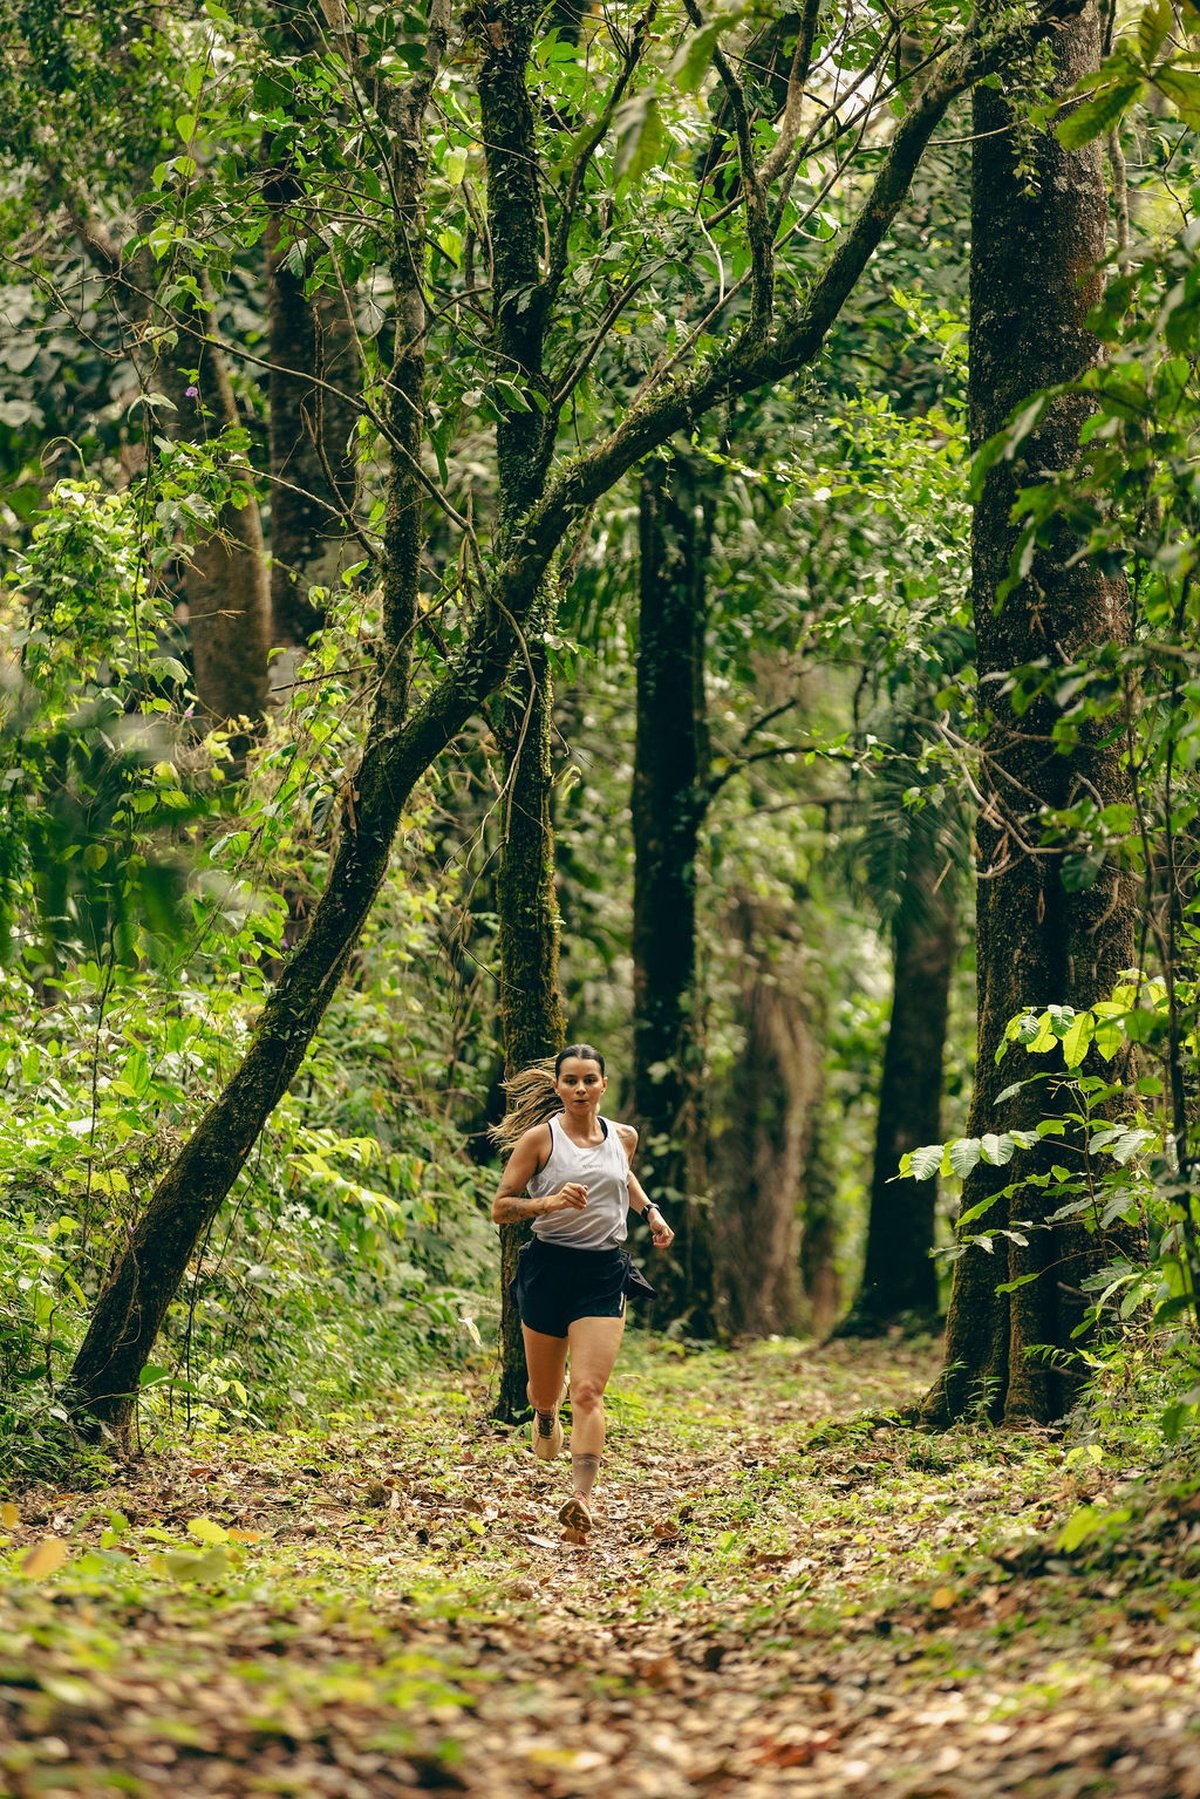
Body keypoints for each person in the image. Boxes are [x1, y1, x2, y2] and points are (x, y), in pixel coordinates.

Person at [492, 1043, 674, 1536]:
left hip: (602, 1270)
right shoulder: (539, 1140)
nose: (580, 1088)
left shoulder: (624, 1136)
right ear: (557, 1087)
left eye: (589, 1079)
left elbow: (622, 1175)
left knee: (589, 1390)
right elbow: (502, 1206)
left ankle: (581, 1498)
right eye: (570, 1080)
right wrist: (548, 1204)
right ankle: (545, 1413)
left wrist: (650, 1212)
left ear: (603, 1086)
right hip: (548, 1269)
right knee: (545, 1390)